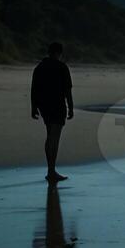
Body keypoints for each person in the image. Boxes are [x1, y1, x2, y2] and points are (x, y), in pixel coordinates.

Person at [31, 42, 75, 182]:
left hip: (44, 106)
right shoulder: (62, 67)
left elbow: (34, 89)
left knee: (50, 135)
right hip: (57, 105)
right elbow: (67, 90)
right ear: (59, 53)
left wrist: (33, 107)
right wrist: (71, 107)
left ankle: (51, 169)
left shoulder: (39, 68)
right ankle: (51, 171)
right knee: (54, 138)